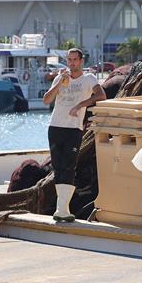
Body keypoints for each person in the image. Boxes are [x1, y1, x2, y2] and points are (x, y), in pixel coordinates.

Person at [42, 48, 106, 222]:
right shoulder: (60, 77)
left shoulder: (88, 79)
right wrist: (59, 83)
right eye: (69, 60)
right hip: (55, 127)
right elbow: (47, 100)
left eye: (75, 60)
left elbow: (101, 95)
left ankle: (63, 208)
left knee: (69, 167)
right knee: (58, 167)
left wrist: (81, 105)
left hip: (73, 129)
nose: (71, 63)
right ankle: (61, 209)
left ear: (81, 61)